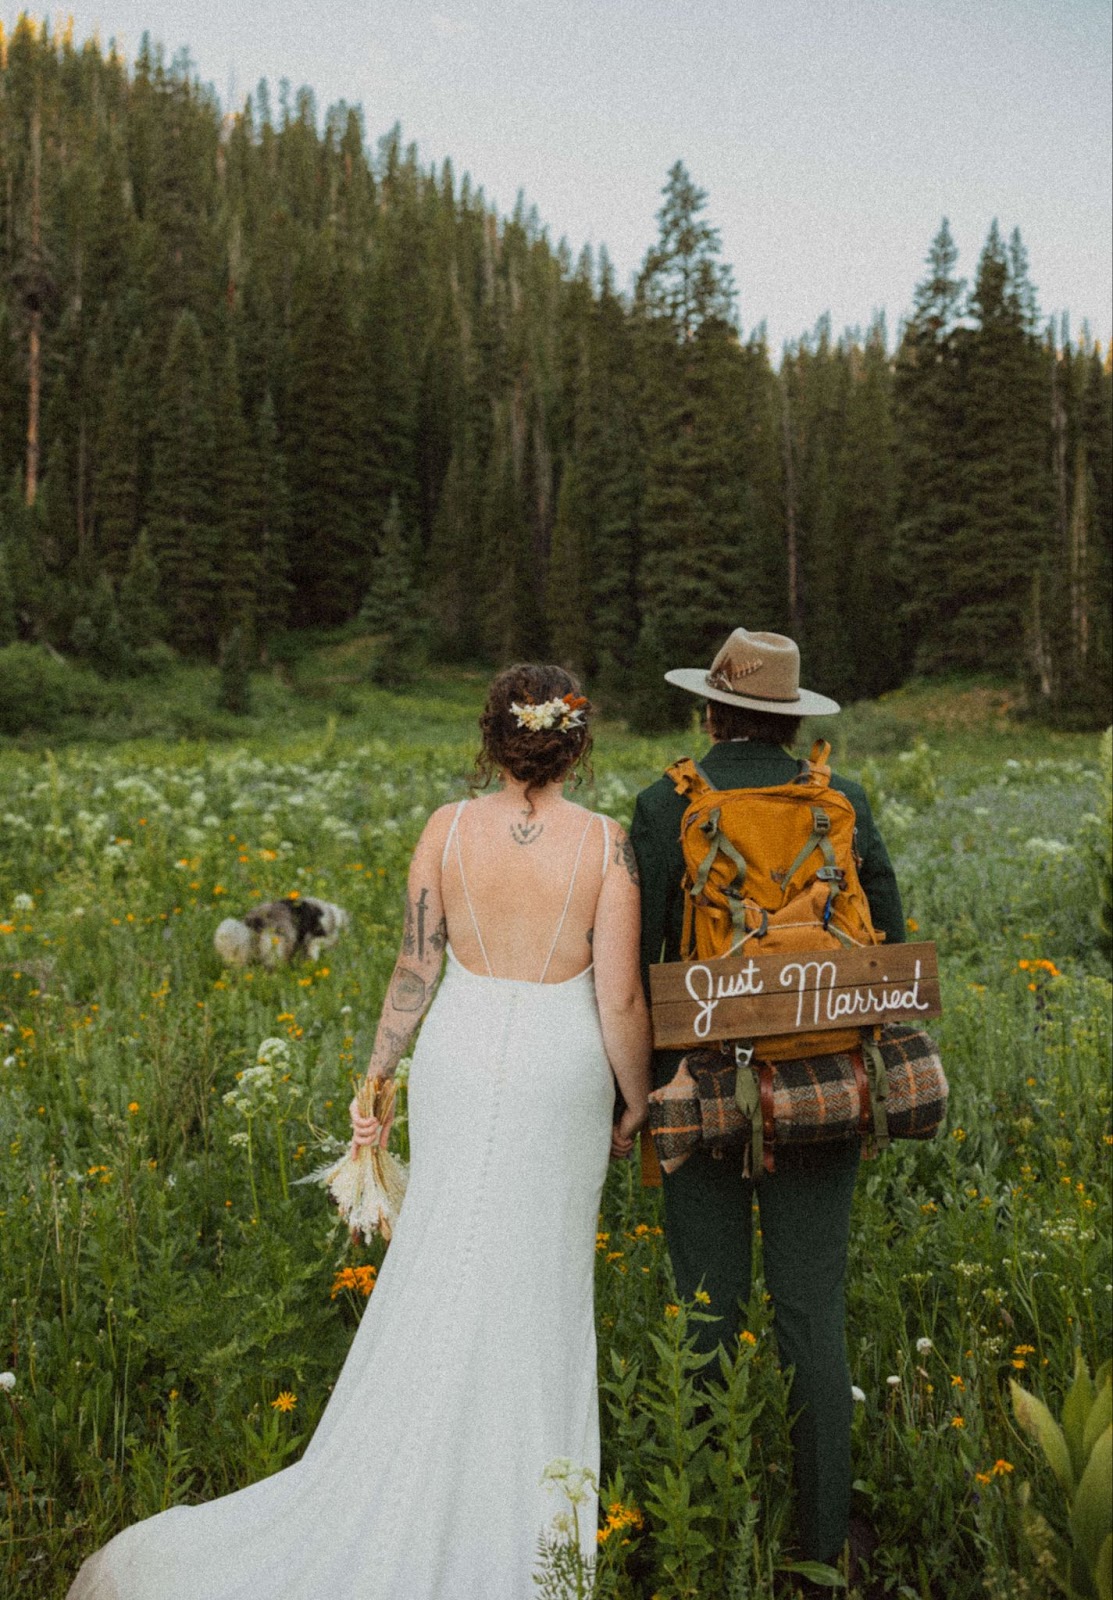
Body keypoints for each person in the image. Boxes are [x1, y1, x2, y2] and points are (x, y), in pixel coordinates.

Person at [68, 663, 651, 1600]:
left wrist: (378, 1070)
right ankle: (519, 1500)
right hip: (559, 1067)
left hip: (460, 1053)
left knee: (442, 1256)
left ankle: (414, 1460)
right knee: (536, 1273)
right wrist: (636, 1097)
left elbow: (417, 962)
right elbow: (618, 993)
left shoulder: (446, 829)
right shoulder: (608, 845)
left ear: (492, 740)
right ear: (575, 742)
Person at [629, 627, 904, 1583]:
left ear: (708, 709)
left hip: (701, 1087)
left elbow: (637, 970)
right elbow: (889, 952)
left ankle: (709, 1521)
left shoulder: (664, 806)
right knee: (810, 1313)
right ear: (789, 718)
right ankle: (822, 1542)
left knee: (704, 1311)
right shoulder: (840, 802)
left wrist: (641, 1092)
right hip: (823, 1085)